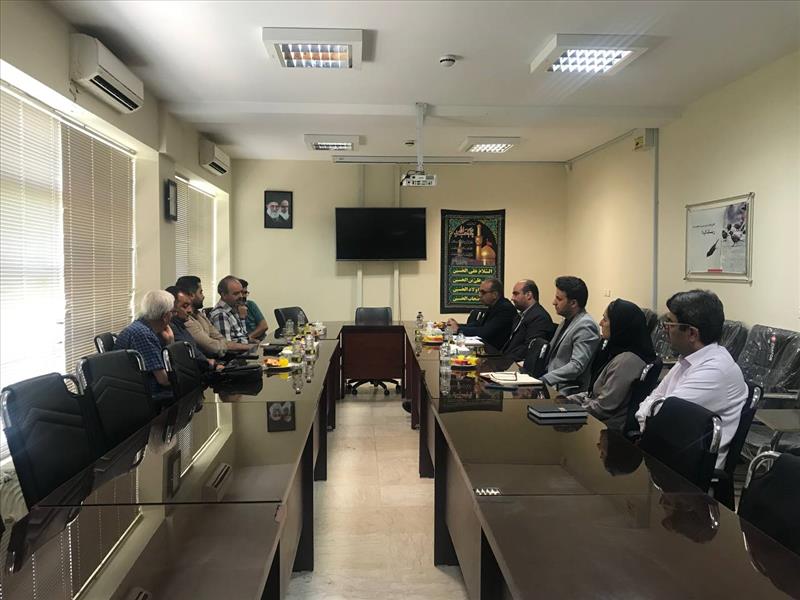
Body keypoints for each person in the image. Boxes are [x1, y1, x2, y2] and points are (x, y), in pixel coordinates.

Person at [635, 290, 747, 470]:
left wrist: (649, 414)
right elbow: (652, 401)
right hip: (669, 452)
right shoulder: (689, 359)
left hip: (689, 471)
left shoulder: (715, 371)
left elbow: (661, 417)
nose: (665, 329)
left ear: (692, 333)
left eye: (670, 323)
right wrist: (649, 414)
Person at [566, 299, 656, 429]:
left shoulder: (626, 362)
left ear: (620, 325)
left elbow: (604, 407)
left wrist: (569, 411)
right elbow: (594, 394)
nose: (600, 323)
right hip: (595, 419)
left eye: (605, 319)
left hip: (605, 428)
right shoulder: (616, 352)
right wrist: (567, 401)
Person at [540, 276, 601, 395]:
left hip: (564, 390)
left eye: (559, 299)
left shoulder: (586, 325)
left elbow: (576, 366)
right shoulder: (566, 320)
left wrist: (546, 379)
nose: (553, 302)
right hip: (550, 382)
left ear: (573, 303)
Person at [115, 290, 175, 394]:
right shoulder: (143, 335)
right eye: (173, 312)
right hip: (143, 393)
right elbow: (163, 380)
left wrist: (170, 341)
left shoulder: (142, 325)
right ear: (165, 317)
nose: (174, 315)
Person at [176, 275, 252, 356]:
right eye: (201, 292)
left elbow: (221, 339)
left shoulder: (199, 314)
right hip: (212, 361)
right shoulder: (187, 320)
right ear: (191, 295)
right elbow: (212, 346)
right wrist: (249, 347)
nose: (203, 296)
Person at [446, 278, 516, 350]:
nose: (479, 295)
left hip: (496, 353)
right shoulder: (493, 306)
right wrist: (456, 326)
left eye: (483, 292)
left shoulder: (505, 309)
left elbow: (485, 332)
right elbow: (478, 324)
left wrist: (458, 329)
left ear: (495, 294)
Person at [501, 279, 556, 361]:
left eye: (516, 294)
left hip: (517, 363)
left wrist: (504, 360)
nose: (512, 298)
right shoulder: (520, 315)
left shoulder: (539, 318)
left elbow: (529, 348)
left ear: (529, 295)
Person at [166, 285, 218, 371]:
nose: (190, 310)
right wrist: (209, 363)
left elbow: (195, 352)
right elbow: (191, 357)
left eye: (190, 305)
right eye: (185, 306)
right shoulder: (171, 327)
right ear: (172, 307)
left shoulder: (181, 324)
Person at [209, 275, 251, 344]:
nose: (241, 296)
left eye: (241, 292)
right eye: (236, 293)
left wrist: (242, 319)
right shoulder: (221, 315)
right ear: (224, 295)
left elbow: (243, 337)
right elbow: (227, 346)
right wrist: (253, 346)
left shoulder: (232, 308)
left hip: (246, 348)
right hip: (241, 351)